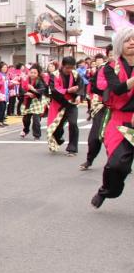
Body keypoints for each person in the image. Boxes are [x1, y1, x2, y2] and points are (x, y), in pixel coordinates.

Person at [90, 27, 134, 208]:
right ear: (119, 44)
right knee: (116, 166)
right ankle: (106, 190)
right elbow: (117, 89)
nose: (132, 42)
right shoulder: (110, 68)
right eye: (127, 40)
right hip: (120, 119)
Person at [47, 56, 85, 156]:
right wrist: (67, 90)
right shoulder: (54, 75)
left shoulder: (75, 74)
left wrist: (79, 96)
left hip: (71, 103)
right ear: (62, 66)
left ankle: (72, 149)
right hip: (59, 103)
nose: (69, 70)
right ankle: (58, 138)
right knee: (57, 127)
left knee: (73, 123)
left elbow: (81, 86)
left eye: (72, 67)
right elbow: (53, 90)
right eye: (67, 67)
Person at [80, 51, 111, 171]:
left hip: (122, 109)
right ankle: (89, 160)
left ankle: (119, 162)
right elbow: (94, 85)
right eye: (111, 54)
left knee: (118, 138)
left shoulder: (128, 67)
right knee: (95, 135)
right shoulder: (103, 69)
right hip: (102, 105)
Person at [20, 64, 47, 140]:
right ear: (29, 72)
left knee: (36, 119)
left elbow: (42, 90)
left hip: (36, 101)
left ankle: (37, 135)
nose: (32, 74)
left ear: (38, 73)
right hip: (27, 101)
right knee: (26, 119)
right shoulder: (25, 80)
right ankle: (26, 130)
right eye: (31, 72)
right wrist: (27, 93)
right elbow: (21, 89)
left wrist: (33, 90)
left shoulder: (39, 81)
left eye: (35, 73)